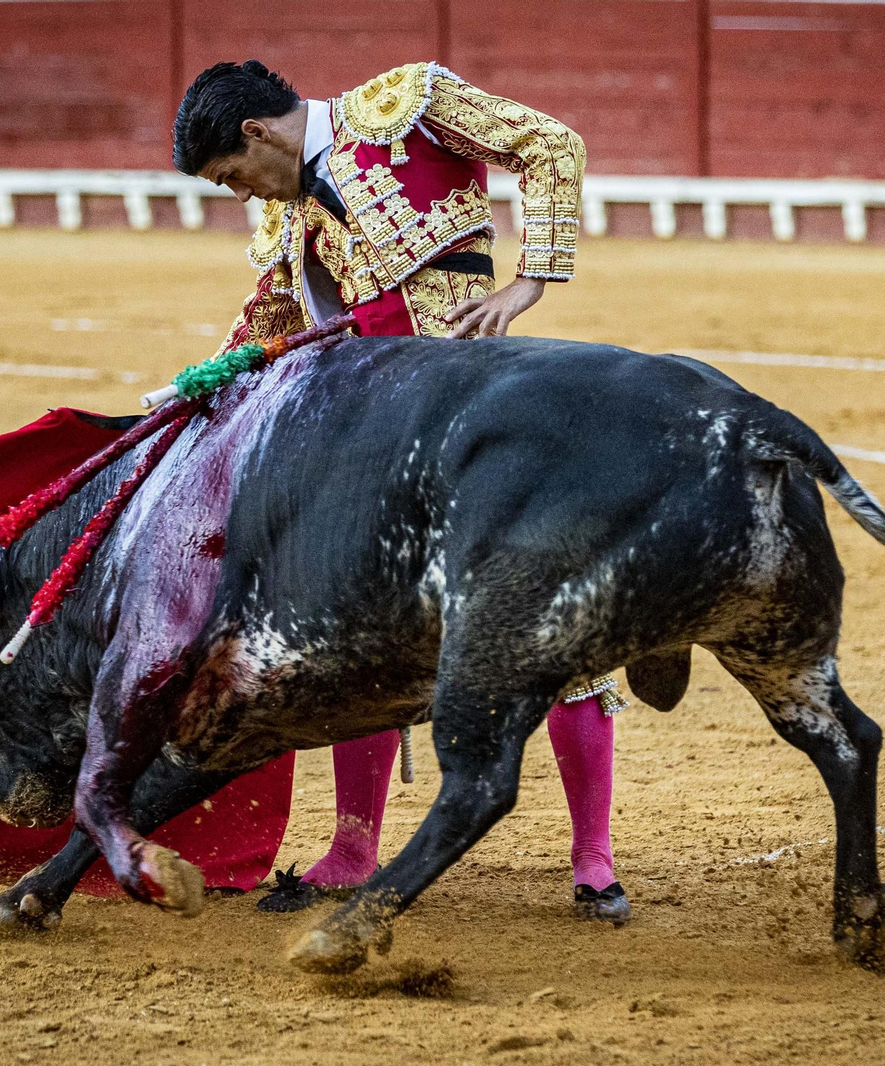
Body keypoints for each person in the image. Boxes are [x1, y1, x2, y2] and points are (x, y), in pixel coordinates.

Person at [171, 59, 629, 922]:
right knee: (352, 632)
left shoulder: (408, 104)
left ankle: (594, 859)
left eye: (233, 177)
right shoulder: (286, 215)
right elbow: (270, 319)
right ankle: (351, 849)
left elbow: (549, 143)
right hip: (376, 441)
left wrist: (531, 280)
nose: (241, 196)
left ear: (256, 133)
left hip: (483, 415)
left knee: (551, 618)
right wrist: (196, 389)